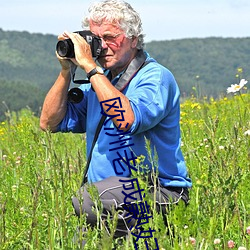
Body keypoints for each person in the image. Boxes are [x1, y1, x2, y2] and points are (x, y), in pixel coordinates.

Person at [40, 0, 192, 246]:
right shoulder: (99, 83)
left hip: (157, 192)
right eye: (96, 39)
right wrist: (66, 70)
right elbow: (49, 123)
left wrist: (90, 67)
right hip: (110, 201)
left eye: (110, 37)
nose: (102, 47)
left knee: (87, 200)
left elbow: (127, 120)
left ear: (133, 39)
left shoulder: (154, 77)